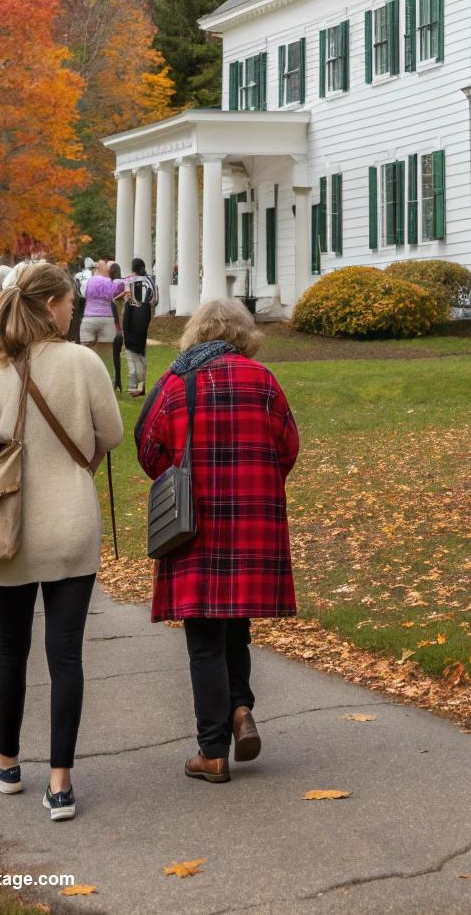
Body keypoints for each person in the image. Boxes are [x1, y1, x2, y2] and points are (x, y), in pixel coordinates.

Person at [0, 262, 123, 822]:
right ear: (50, 306)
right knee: (66, 654)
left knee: (12, 651)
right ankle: (61, 784)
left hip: (10, 533)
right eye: (68, 302)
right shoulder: (84, 363)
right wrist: (79, 463)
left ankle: (7, 762)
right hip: (72, 528)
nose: (73, 310)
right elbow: (112, 432)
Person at [135, 299, 299, 785]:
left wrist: (177, 474)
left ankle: (212, 753)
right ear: (243, 334)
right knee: (235, 626)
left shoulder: (176, 382)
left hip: (195, 521)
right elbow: (287, 446)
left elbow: (148, 448)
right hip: (251, 517)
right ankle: (240, 708)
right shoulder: (263, 380)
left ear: (196, 333)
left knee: (204, 639)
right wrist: (259, 480)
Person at [79, 259, 124, 368]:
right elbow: (120, 289)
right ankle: (106, 377)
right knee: (106, 358)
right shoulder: (111, 283)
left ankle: (87, 376)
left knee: (86, 354)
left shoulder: (87, 282)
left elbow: (82, 294)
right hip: (107, 320)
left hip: (89, 319)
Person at [121, 259, 156, 397]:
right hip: (144, 315)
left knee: (131, 349)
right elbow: (154, 301)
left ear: (133, 268)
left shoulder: (129, 280)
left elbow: (126, 298)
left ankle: (133, 385)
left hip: (131, 315)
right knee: (141, 350)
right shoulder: (151, 280)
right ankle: (141, 386)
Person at [108, 262, 128, 393]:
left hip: (114, 324)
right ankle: (118, 381)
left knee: (112, 355)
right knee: (117, 355)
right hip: (123, 323)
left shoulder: (111, 285)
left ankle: (115, 381)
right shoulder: (125, 283)